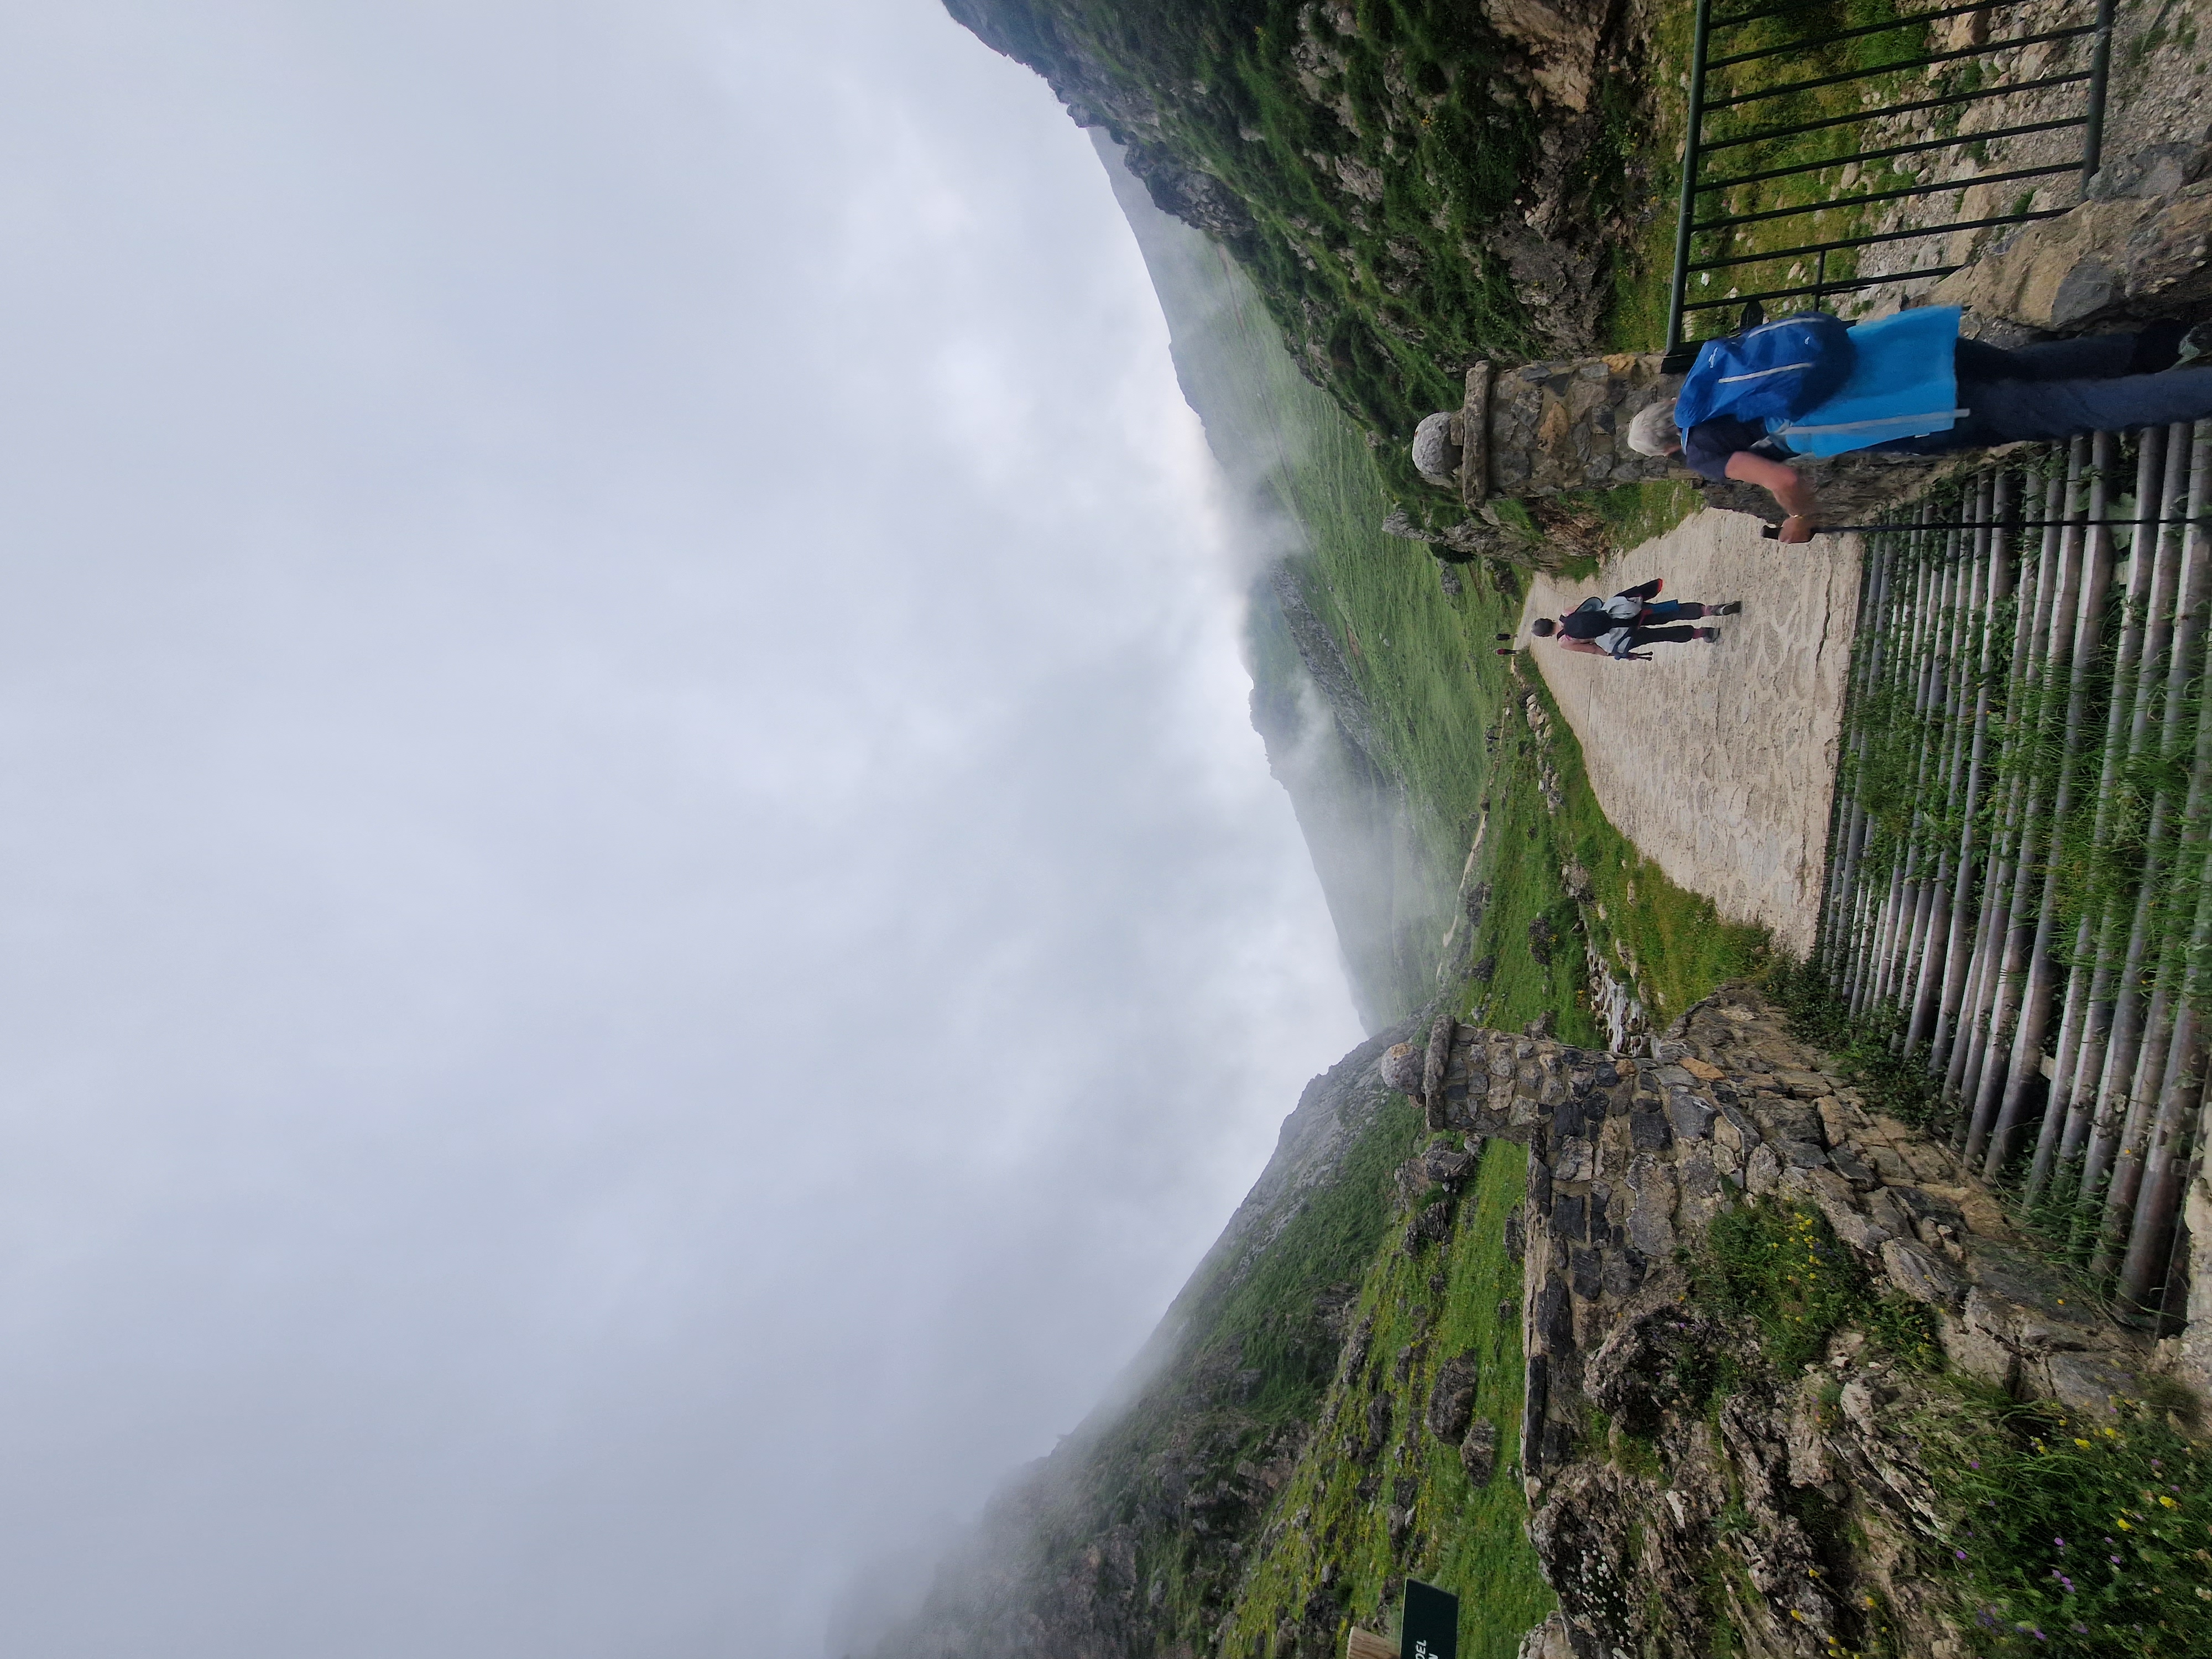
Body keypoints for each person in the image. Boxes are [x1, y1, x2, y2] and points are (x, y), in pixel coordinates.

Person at [1626, 312, 2212, 543]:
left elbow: (1776, 478)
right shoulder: (1711, 379)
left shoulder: (1703, 448)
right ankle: (2170, 343)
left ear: (1669, 448)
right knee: (2027, 367)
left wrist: (1800, 520)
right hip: (1903, 351)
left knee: (2063, 409)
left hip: (1905, 407)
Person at [1500, 578, 1741, 660]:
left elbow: (1595, 650)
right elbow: (1595, 605)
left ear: (1545, 636)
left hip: (1621, 636)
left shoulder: (1564, 643)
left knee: (1660, 636)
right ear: (1547, 619)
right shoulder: (1566, 612)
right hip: (1623, 613)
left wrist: (1622, 654)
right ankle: (1712, 610)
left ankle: (1704, 634)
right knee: (1666, 611)